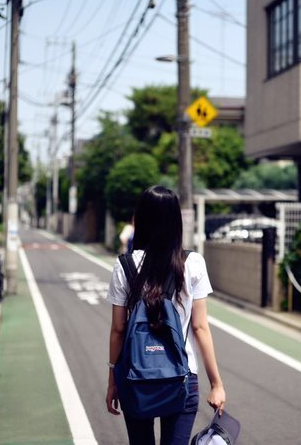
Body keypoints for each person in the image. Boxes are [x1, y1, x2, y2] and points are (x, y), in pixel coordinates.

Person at [106, 185, 226, 445]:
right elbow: (200, 327)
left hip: (135, 377)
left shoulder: (124, 265)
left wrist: (113, 381)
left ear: (141, 219)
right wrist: (216, 384)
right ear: (175, 222)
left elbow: (118, 330)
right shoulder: (193, 263)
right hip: (183, 378)